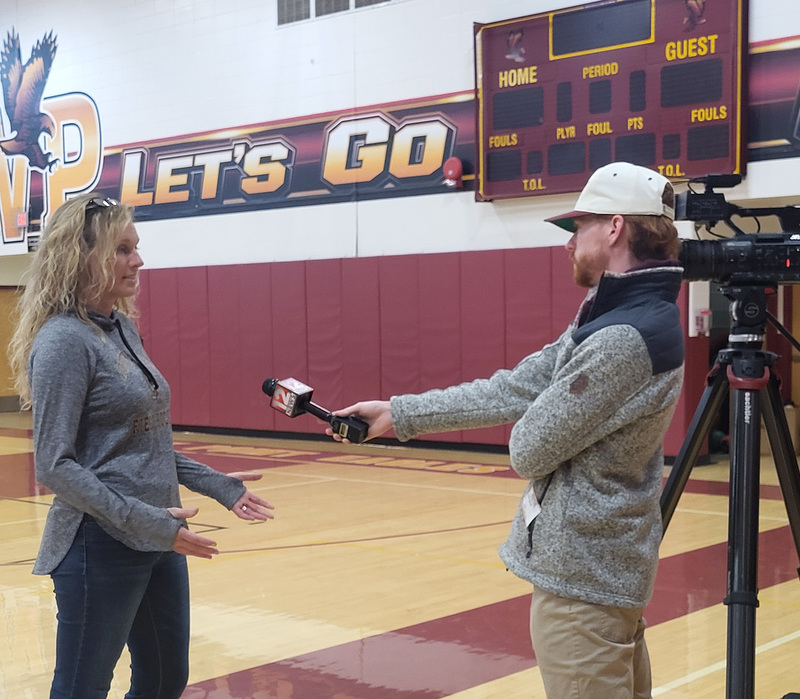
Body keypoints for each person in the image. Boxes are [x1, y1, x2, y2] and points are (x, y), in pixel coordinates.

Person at [326, 162, 685, 698]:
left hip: (582, 587)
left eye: (578, 227)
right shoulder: (623, 314)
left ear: (615, 228)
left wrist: (540, 414)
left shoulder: (622, 336)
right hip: (603, 574)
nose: (569, 243)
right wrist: (400, 414)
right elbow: (516, 387)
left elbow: (528, 449)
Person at [8, 194, 275, 699]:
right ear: (82, 257)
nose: (139, 260)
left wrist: (219, 485)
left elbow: (141, 443)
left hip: (158, 536)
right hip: (98, 543)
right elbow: (54, 464)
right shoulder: (64, 341)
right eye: (123, 250)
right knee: (83, 688)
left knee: (164, 680)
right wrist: (147, 520)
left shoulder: (122, 329)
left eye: (136, 247)